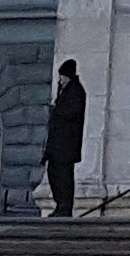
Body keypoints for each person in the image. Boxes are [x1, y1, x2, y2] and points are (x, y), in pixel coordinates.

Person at [42, 57, 87, 219]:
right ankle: (60, 205)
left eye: (61, 76)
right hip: (58, 145)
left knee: (63, 177)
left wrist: (55, 111)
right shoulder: (66, 91)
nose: (59, 80)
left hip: (65, 146)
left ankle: (64, 207)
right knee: (54, 174)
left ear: (67, 76)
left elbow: (72, 114)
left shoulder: (76, 91)